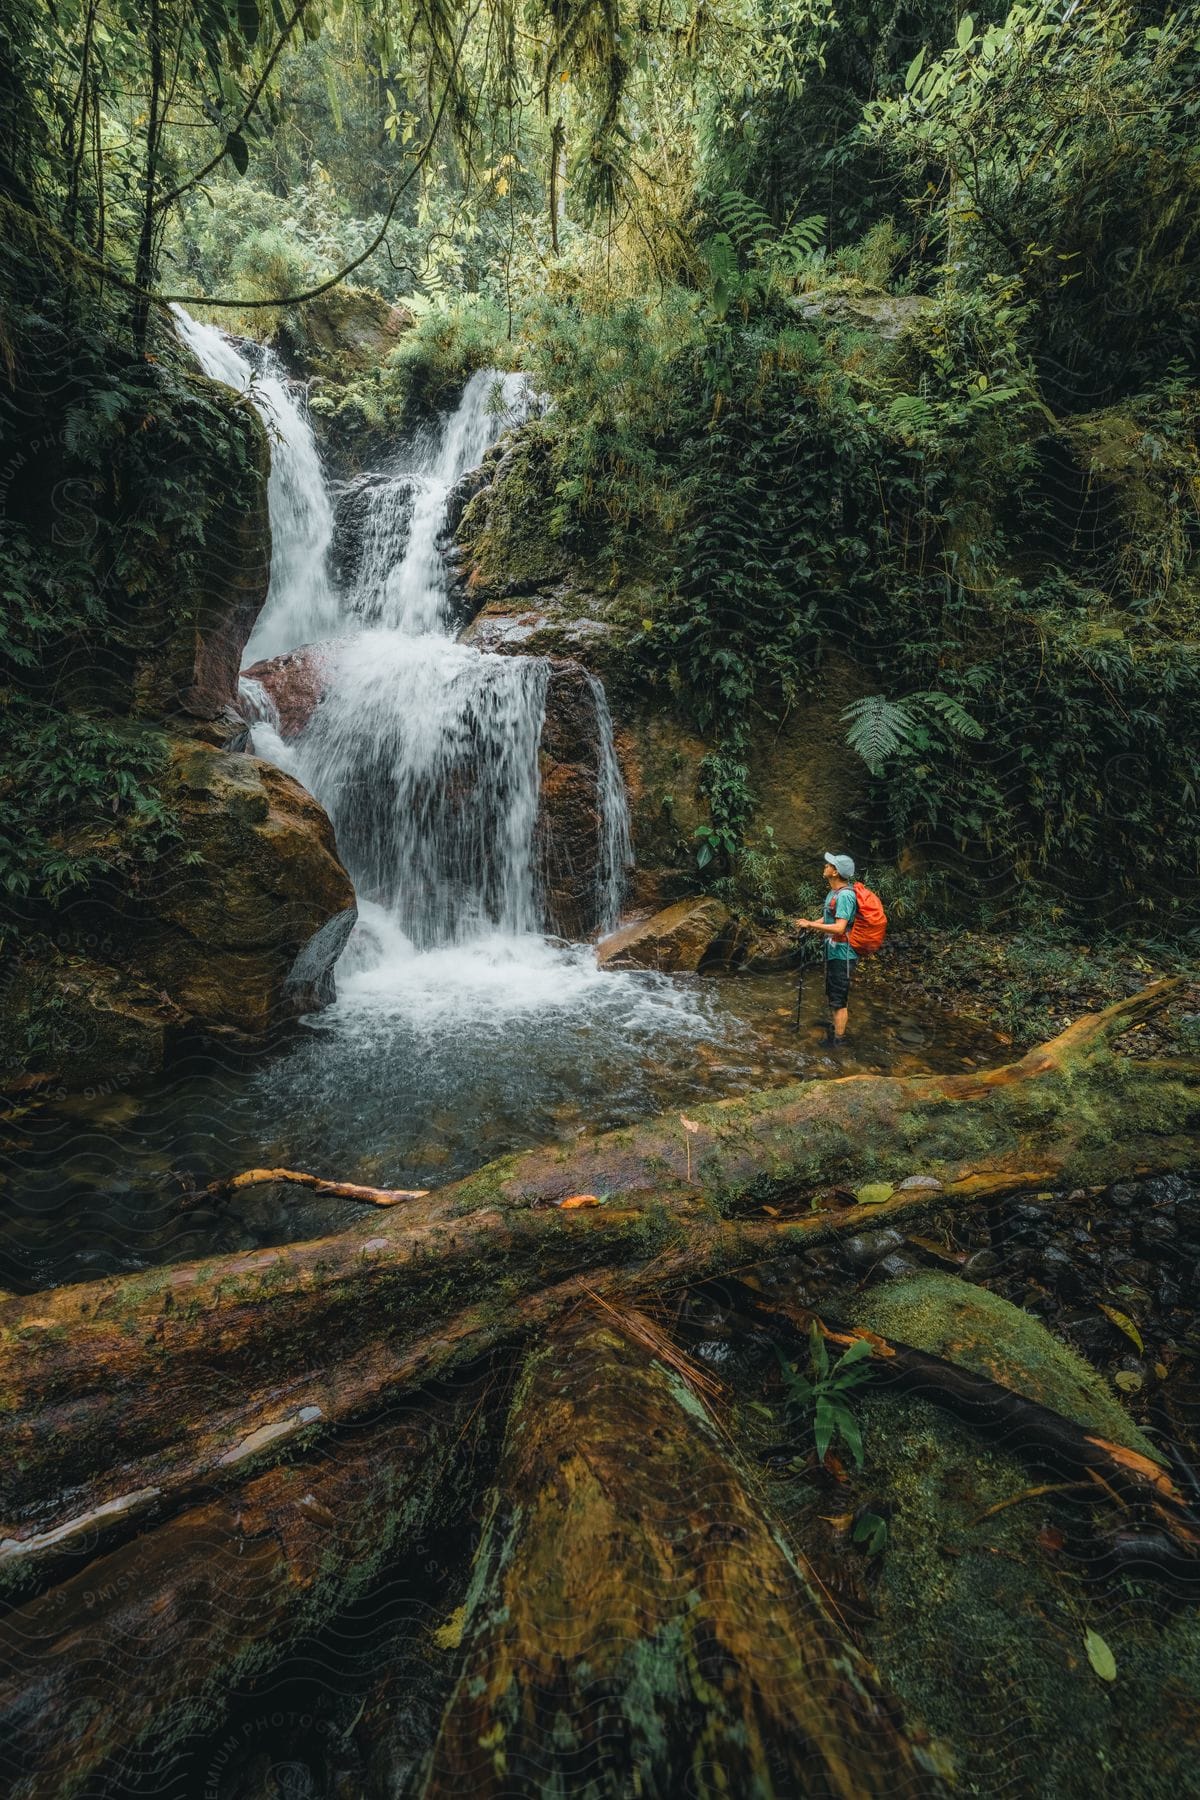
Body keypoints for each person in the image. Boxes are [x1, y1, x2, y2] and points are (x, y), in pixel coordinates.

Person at [794, 853, 857, 1042]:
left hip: (843, 954)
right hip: (833, 951)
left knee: (839, 999)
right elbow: (830, 918)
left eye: (829, 865)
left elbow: (840, 927)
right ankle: (835, 1030)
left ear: (835, 872)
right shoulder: (833, 893)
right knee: (833, 994)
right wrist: (811, 924)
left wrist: (811, 925)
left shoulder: (845, 896)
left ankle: (839, 1041)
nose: (825, 866)